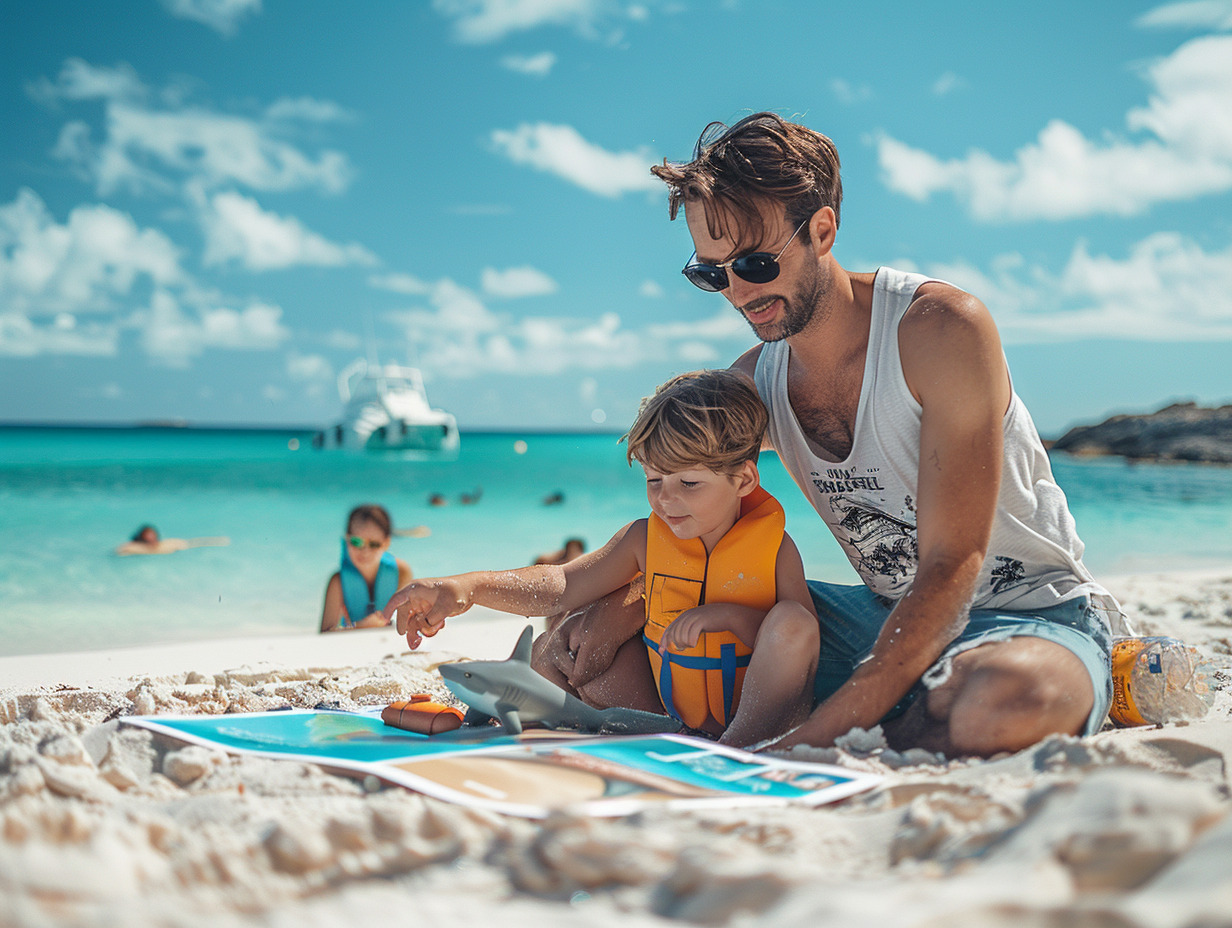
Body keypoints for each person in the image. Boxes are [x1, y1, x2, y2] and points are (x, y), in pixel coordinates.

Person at [537, 112, 1123, 758]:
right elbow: (683, 487)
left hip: (1034, 614)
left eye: (756, 263)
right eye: (712, 273)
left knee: (1000, 704)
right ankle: (700, 739)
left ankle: (894, 711)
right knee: (586, 632)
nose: (736, 292)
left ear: (822, 230)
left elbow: (952, 567)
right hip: (877, 620)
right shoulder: (756, 382)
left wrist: (820, 737)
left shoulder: (940, 332)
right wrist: (624, 608)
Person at [383, 370, 821, 747]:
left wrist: (730, 618)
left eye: (689, 483)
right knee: (556, 650)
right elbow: (561, 586)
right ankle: (585, 729)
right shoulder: (643, 539)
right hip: (665, 709)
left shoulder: (776, 550)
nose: (666, 500)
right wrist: (467, 588)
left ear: (743, 478)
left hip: (757, 716)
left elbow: (800, 640)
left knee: (791, 621)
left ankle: (740, 748)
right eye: (654, 480)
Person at [320, 504, 413, 632]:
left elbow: (407, 621)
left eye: (374, 544)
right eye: (357, 542)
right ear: (347, 540)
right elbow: (324, 634)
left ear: (386, 543)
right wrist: (361, 627)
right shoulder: (337, 582)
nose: (365, 551)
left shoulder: (401, 571)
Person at [115, 525, 230, 556]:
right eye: (148, 536)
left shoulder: (168, 544)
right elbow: (120, 551)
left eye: (153, 535)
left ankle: (220, 541)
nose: (151, 538)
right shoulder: (132, 547)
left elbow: (191, 543)